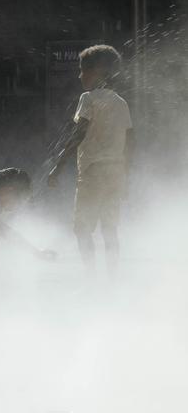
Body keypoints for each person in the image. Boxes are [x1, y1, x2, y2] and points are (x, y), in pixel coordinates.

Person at [48, 44, 133, 277]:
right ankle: (113, 279)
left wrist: (58, 166)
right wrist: (125, 177)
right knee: (110, 229)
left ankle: (91, 279)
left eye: (83, 70)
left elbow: (79, 133)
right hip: (115, 172)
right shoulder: (121, 102)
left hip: (93, 172)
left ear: (97, 71)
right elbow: (129, 143)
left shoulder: (88, 98)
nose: (79, 75)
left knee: (82, 228)